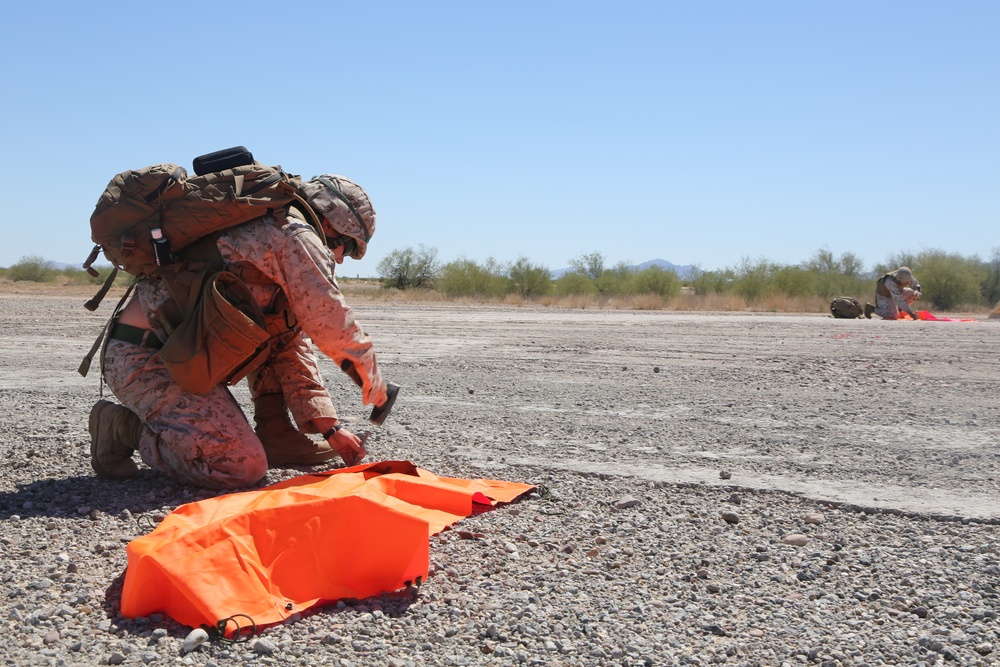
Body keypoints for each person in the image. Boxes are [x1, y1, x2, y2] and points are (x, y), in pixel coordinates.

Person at [89, 174, 396, 489]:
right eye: (346, 246)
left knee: (279, 334)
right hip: (146, 360)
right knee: (239, 467)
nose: (341, 258)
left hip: (181, 355)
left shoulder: (275, 230)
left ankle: (276, 436)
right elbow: (331, 321)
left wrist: (331, 429)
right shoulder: (294, 236)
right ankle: (121, 428)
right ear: (333, 225)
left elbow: (292, 347)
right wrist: (370, 376)